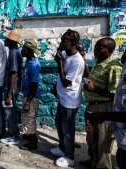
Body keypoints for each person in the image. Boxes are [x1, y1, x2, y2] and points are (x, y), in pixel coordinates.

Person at [80, 37, 122, 168]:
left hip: (103, 108)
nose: (96, 49)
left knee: (102, 142)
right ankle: (92, 161)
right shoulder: (99, 62)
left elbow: (115, 94)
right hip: (92, 107)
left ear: (109, 50)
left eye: (100, 47)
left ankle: (102, 166)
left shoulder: (114, 67)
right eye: (96, 46)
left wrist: (95, 89)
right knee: (91, 138)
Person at [50, 29, 85, 167]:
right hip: (63, 97)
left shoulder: (77, 61)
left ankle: (69, 157)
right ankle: (62, 148)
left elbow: (66, 82)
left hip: (70, 99)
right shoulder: (65, 54)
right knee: (59, 123)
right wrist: (59, 57)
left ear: (73, 43)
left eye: (64, 41)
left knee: (68, 130)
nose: (61, 43)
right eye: (62, 40)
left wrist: (60, 63)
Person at [0, 30, 22, 145]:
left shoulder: (13, 53)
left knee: (10, 112)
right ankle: (12, 133)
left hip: (10, 88)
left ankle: (13, 135)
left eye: (7, 39)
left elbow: (14, 74)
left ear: (11, 41)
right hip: (10, 87)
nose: (5, 40)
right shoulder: (14, 52)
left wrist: (9, 94)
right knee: (10, 111)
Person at [18, 40, 41, 150]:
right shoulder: (28, 61)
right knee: (27, 118)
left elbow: (34, 84)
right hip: (27, 95)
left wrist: (28, 102)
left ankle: (32, 143)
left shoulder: (35, 65)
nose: (22, 51)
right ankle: (32, 137)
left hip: (31, 97)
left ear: (30, 51)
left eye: (24, 49)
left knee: (30, 119)